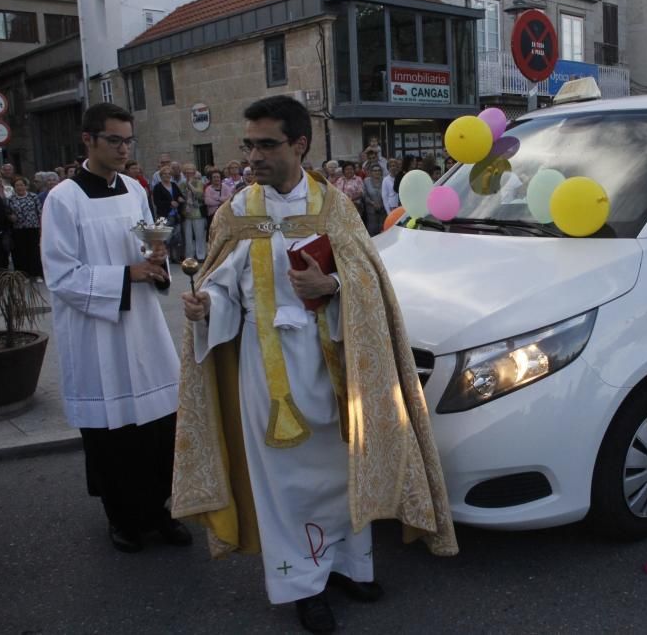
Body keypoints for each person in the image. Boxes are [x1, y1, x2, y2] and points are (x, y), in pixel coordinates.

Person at [177, 95, 456, 633]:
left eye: (266, 144)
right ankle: (303, 585)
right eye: (249, 145)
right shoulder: (236, 214)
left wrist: (331, 285)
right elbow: (223, 286)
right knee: (284, 484)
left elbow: (374, 286)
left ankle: (350, 566)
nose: (253, 156)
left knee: (338, 473)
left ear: (299, 144)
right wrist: (205, 306)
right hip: (266, 370)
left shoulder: (335, 208)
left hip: (333, 367)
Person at [40, 102, 190, 554]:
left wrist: (157, 264)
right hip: (97, 333)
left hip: (142, 325)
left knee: (158, 427)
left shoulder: (134, 189)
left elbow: (146, 245)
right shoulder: (63, 199)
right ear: (88, 140)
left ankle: (158, 510)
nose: (124, 149)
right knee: (113, 435)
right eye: (115, 140)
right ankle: (122, 517)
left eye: (128, 140)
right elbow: (61, 275)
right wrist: (128, 276)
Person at [7, 176, 43, 281]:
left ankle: (36, 274)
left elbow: (40, 212)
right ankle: (23, 275)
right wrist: (10, 217)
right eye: (17, 185)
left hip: (33, 228)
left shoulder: (33, 197)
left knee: (35, 251)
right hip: (18, 229)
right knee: (21, 252)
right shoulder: (11, 199)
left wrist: (41, 227)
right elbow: (8, 213)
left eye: (21, 185)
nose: (20, 187)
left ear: (26, 186)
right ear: (14, 187)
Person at [180, 163, 207, 262]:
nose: (189, 173)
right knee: (188, 236)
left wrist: (190, 184)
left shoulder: (199, 182)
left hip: (197, 211)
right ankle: (189, 256)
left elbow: (199, 194)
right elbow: (180, 195)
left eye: (191, 171)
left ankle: (201, 255)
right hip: (186, 212)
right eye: (187, 171)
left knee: (199, 235)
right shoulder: (182, 183)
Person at [361, 162, 386, 236]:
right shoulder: (366, 181)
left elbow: (387, 195)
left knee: (383, 231)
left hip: (383, 210)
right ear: (371, 172)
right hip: (371, 210)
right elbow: (364, 195)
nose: (377, 172)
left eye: (378, 170)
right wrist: (372, 203)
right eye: (374, 170)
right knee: (372, 231)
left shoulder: (385, 180)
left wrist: (381, 204)